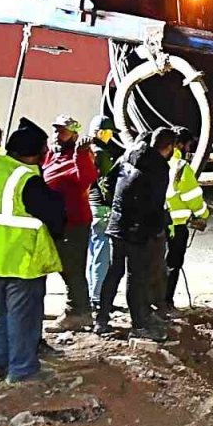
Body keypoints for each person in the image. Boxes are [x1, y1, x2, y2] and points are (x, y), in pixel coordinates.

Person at [0, 118, 65, 383]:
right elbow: (55, 216)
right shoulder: (26, 178)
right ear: (35, 154)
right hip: (20, 260)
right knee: (22, 317)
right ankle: (23, 370)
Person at [98, 128, 175, 341]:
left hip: (117, 224)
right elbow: (154, 205)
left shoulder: (126, 156)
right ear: (168, 147)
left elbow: (107, 181)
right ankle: (138, 325)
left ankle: (101, 320)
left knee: (114, 271)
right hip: (138, 230)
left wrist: (117, 206)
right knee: (136, 277)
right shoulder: (159, 168)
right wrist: (158, 227)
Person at [42, 115, 99, 332]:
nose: (57, 134)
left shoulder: (80, 156)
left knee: (73, 268)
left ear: (74, 134)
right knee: (64, 268)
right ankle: (79, 310)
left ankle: (78, 312)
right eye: (56, 130)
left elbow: (86, 179)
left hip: (74, 223)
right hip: (55, 222)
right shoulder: (51, 156)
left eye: (62, 131)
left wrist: (81, 155)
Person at [164, 127, 209, 311]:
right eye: (189, 145)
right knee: (172, 265)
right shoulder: (181, 167)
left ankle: (153, 303)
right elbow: (193, 198)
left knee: (156, 264)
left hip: (157, 223)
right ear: (180, 144)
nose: (189, 150)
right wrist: (203, 214)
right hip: (177, 226)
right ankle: (166, 303)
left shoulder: (159, 162)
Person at [85, 115, 125, 315]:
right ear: (101, 133)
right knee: (102, 255)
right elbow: (108, 183)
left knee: (93, 253)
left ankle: (92, 296)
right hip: (102, 208)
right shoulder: (101, 153)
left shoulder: (86, 151)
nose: (111, 137)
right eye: (109, 133)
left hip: (89, 208)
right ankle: (98, 298)